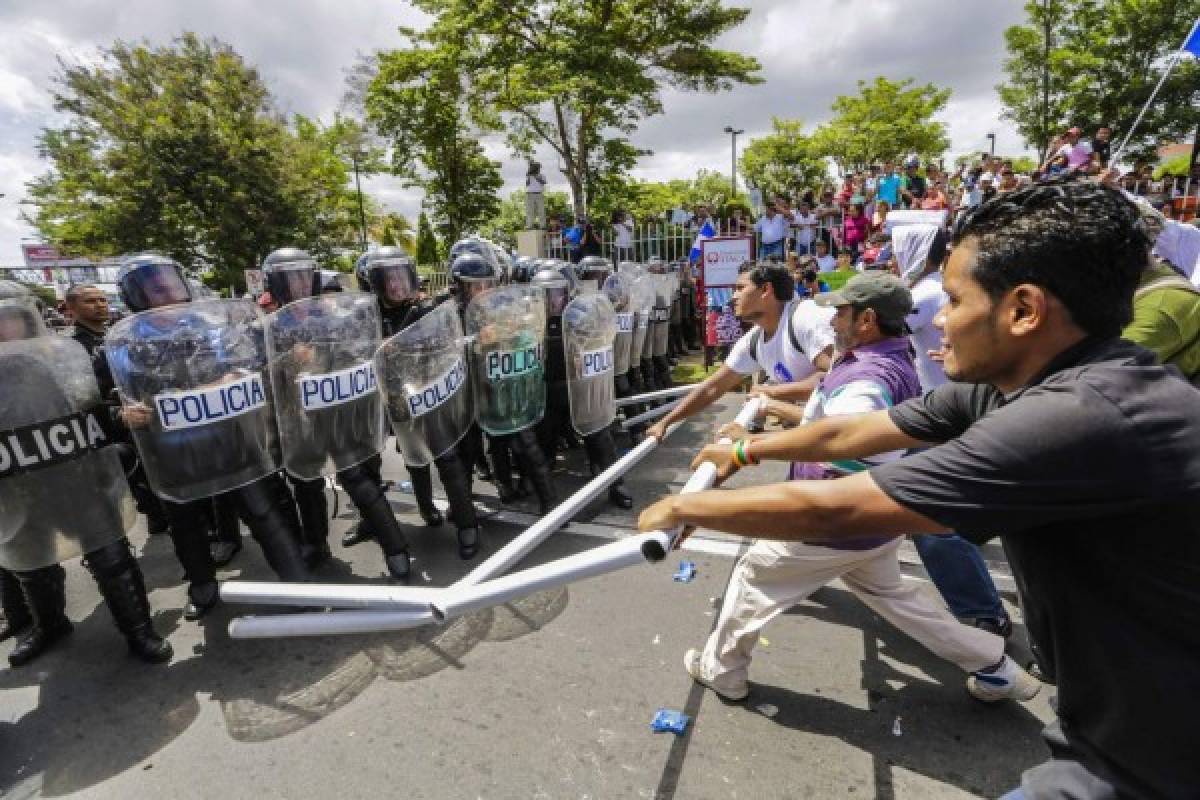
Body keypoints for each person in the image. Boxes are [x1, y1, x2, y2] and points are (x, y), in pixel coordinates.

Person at [640, 178, 1200, 799]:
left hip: (1157, 757)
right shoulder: (1031, 383)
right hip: (1117, 726)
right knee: (892, 593)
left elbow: (842, 508)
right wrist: (746, 449)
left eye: (954, 301)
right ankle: (994, 666)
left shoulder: (1074, 418)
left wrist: (686, 506)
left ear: (1023, 310)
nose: (936, 319)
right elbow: (849, 434)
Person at [650, 271, 1038, 711]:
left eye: (841, 312)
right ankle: (995, 667)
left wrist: (744, 450)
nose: (833, 321)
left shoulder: (866, 377)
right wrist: (773, 418)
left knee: (754, 575)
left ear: (867, 319)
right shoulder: (886, 357)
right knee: (899, 601)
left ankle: (723, 672)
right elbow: (837, 429)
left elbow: (844, 451)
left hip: (838, 525)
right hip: (875, 525)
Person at [105, 254, 312, 619]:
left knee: (261, 510)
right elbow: (110, 399)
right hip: (170, 447)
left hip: (227, 438)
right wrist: (123, 414)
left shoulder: (209, 326)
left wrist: (235, 375)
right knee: (186, 523)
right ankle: (202, 588)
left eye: (168, 282)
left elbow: (245, 362)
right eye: (153, 287)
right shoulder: (122, 342)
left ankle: (297, 582)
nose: (165, 293)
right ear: (134, 294)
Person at [0, 282, 172, 666]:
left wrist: (120, 417)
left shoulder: (61, 358)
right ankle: (50, 626)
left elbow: (93, 413)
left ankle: (140, 632)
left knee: (111, 559)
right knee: (34, 567)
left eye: (11, 319)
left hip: (77, 481)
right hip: (19, 491)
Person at [895, 224, 1013, 636]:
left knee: (925, 517)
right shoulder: (927, 290)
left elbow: (886, 321)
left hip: (950, 414)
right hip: (943, 407)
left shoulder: (924, 294)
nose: (945, 317)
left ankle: (985, 613)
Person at [359, 247, 484, 559]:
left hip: (428, 395)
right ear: (377, 281)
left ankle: (467, 526)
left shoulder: (428, 308)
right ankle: (416, 511)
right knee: (389, 460)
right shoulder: (366, 316)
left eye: (403, 276)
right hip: (390, 400)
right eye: (391, 278)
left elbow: (445, 346)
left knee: (448, 459)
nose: (399, 284)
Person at [645, 263, 835, 442]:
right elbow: (712, 387)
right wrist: (665, 423)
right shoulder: (753, 341)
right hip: (822, 434)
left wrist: (772, 392)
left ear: (766, 290)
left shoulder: (805, 317)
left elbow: (833, 377)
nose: (733, 297)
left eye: (740, 288)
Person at [525, 161, 547, 229]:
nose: (538, 169)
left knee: (541, 211)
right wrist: (529, 175)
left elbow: (543, 182)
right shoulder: (529, 175)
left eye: (538, 167)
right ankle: (529, 226)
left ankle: (542, 226)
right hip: (530, 194)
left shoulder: (542, 175)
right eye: (537, 167)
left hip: (539, 194)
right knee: (530, 211)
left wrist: (536, 176)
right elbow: (527, 184)